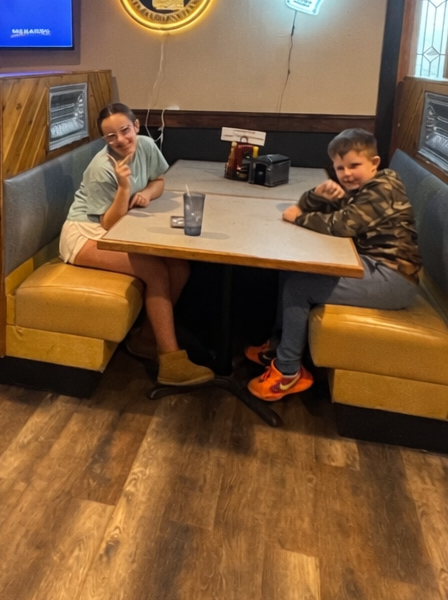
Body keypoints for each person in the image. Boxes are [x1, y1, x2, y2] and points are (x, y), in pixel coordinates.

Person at [247, 128, 422, 402]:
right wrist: (316, 194)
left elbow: (343, 225)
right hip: (372, 265)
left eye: (354, 165)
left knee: (298, 288)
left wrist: (298, 219)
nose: (346, 173)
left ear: (374, 163)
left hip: (394, 280)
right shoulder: (364, 187)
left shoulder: (383, 188)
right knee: (292, 268)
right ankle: (279, 344)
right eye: (340, 168)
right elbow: (328, 209)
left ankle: (288, 371)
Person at [59, 102, 214, 388]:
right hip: (85, 233)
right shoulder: (101, 168)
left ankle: (145, 339)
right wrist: (124, 189)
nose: (120, 140)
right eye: (111, 136)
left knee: (179, 266)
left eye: (124, 130)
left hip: (116, 227)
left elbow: (159, 181)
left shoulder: (145, 145)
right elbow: (108, 223)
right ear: (104, 140)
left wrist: (145, 193)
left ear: (136, 127)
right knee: (155, 271)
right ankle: (171, 362)